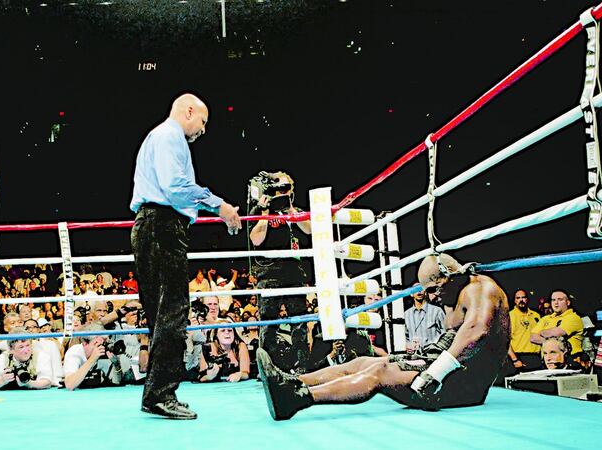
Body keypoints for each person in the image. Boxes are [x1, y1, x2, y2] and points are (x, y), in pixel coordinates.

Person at [256, 253, 510, 420]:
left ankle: (297, 399)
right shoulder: (455, 293)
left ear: (450, 276)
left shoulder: (479, 289)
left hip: (461, 386)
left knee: (379, 374)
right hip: (446, 366)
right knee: (365, 362)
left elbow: (477, 331)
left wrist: (436, 372)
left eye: (434, 289)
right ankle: (290, 381)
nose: (432, 297)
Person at [129, 93, 241, 420]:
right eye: (202, 122)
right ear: (189, 111)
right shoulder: (169, 136)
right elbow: (175, 186)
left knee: (161, 314)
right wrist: (217, 204)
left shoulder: (159, 137)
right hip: (162, 226)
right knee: (173, 311)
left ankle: (156, 393)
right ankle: (161, 394)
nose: (203, 130)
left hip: (152, 226)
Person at [248, 170, 312, 373]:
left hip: (293, 270)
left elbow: (309, 230)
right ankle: (267, 369)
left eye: (285, 188)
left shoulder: (295, 210)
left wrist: (292, 211)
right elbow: (255, 239)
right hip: (269, 271)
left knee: (300, 321)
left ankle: (302, 367)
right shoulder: (259, 210)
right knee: (269, 323)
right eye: (277, 188)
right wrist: (265, 214)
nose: (281, 192)